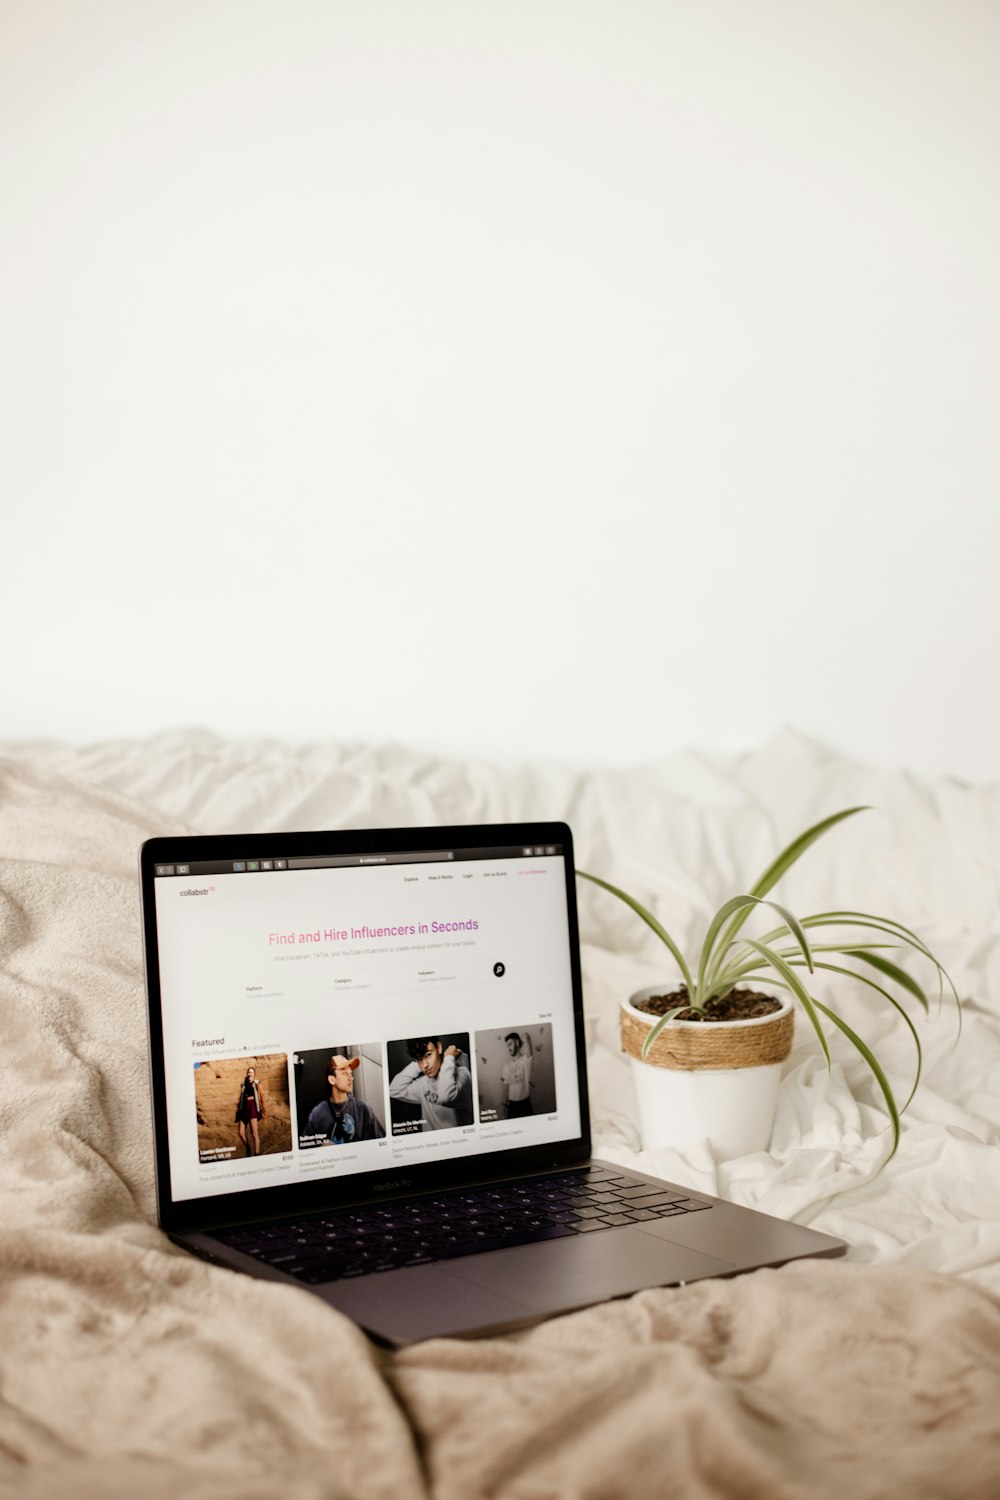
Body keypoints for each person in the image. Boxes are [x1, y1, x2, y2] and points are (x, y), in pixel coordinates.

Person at [389, 1037, 473, 1131]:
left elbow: (445, 1097)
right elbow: (393, 1090)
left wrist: (449, 1058)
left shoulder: (462, 1074)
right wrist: (418, 1062)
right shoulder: (423, 1082)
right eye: (419, 1059)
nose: (425, 1065)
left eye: (428, 1055)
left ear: (439, 1048)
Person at [305, 1054, 385, 1145]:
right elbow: (305, 1150)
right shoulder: (317, 1114)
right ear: (332, 1079)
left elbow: (382, 1144)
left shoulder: (363, 1109)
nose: (351, 1078)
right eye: (344, 1073)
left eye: (350, 1073)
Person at [500, 1031, 534, 1119]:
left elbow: (526, 1036)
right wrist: (504, 1106)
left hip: (525, 1104)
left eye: (510, 1044)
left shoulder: (526, 1060)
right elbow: (505, 1088)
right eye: (507, 1045)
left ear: (517, 1043)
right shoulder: (506, 1066)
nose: (508, 1048)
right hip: (511, 1105)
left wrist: (521, 1039)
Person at [235, 1066, 266, 1156]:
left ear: (254, 1074)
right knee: (241, 1133)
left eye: (251, 1072)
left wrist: (262, 1109)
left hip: (252, 1107)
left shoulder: (257, 1084)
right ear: (247, 1073)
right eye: (249, 1072)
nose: (250, 1074)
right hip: (244, 1108)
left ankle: (256, 1153)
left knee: (254, 1133)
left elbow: (262, 1097)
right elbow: (241, 1098)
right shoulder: (243, 1084)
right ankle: (248, 1148)